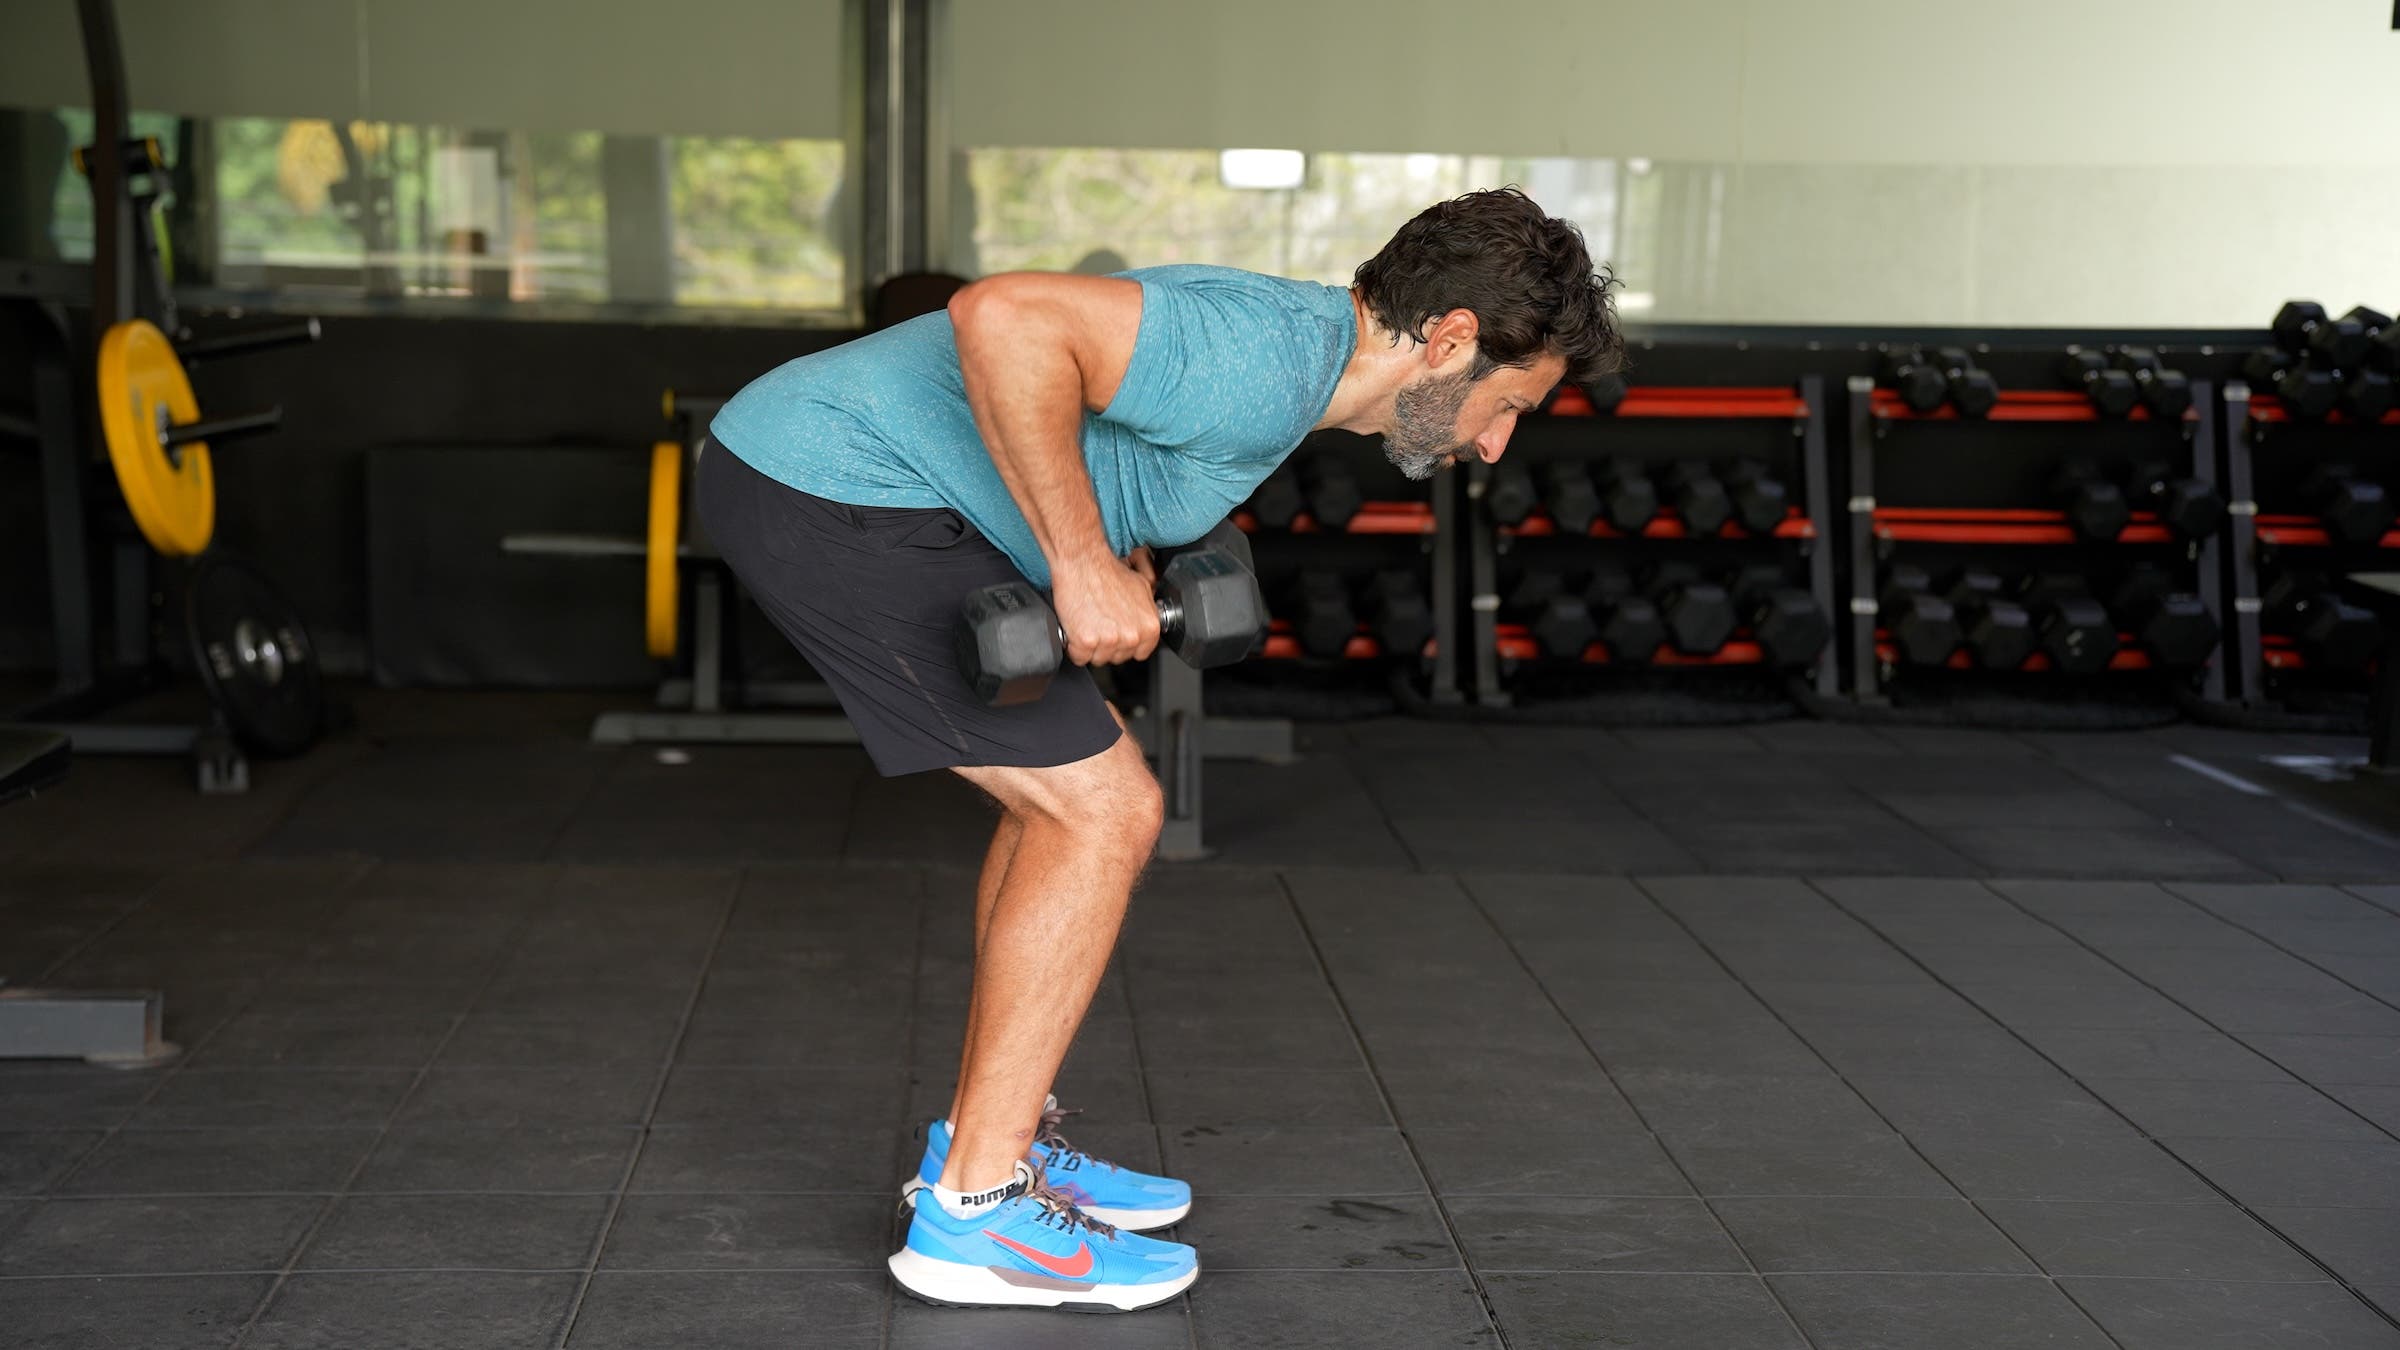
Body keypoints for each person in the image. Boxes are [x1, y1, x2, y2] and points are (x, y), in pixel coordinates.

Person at [693, 186, 1622, 1312]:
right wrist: (1077, 561)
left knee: (1074, 801)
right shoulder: (1265, 356)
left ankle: (990, 1145)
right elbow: (1005, 319)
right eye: (1507, 404)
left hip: (848, 484)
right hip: (835, 488)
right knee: (1103, 811)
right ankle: (974, 1217)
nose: (1492, 443)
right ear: (1453, 339)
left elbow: (1108, 418)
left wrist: (1116, 546)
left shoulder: (1300, 362)